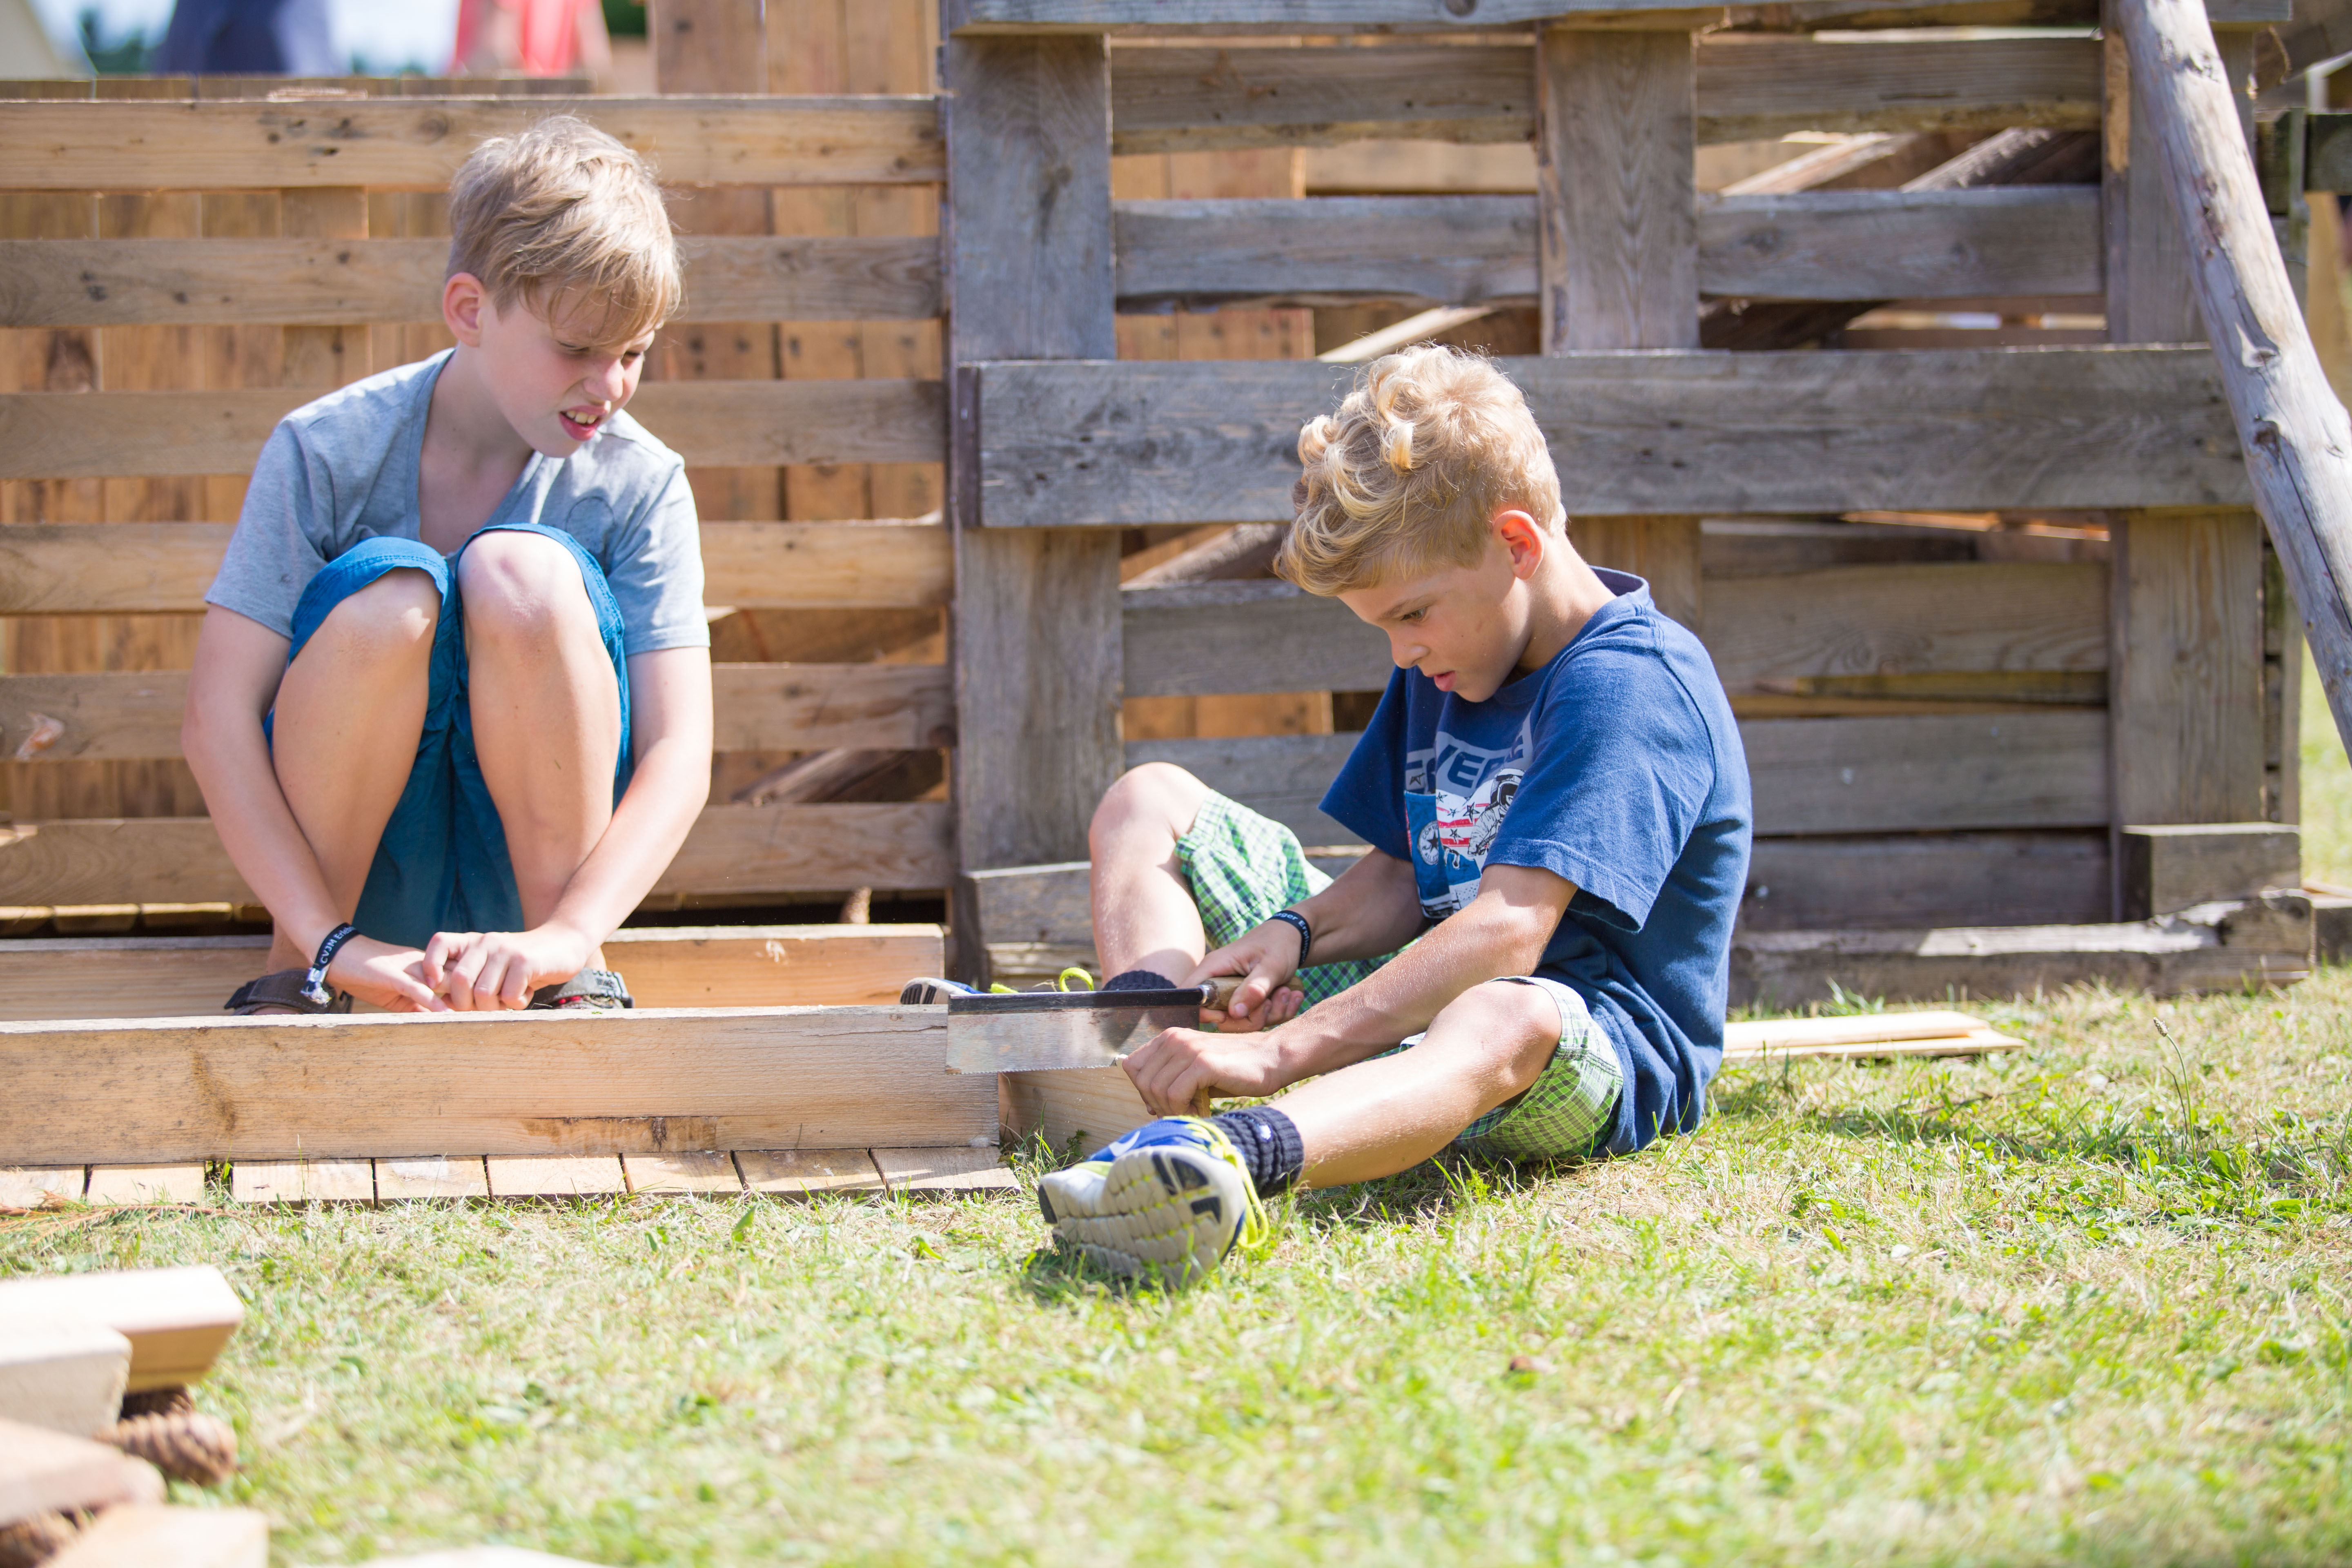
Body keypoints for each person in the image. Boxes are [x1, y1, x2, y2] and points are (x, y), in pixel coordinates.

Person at [1037, 346, 1752, 1282]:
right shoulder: (1457, 656)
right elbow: (1407, 872)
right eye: (1383, 628)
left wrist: (1286, 1051)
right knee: (1149, 798)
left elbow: (1506, 934)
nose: (1402, 653)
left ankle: (1223, 1161)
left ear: (1517, 545)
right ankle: (1148, 1069)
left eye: (1412, 615)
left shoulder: (1631, 685)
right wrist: (1294, 933)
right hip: (1429, 1002)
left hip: (1583, 1048)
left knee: (1501, 1010)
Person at [182, 116, 711, 1017]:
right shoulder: (326, 450)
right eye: (577, 349)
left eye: (633, 353)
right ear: (470, 310)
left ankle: (569, 986)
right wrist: (326, 938)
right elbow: (216, 717)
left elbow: (679, 748)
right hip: (348, 906)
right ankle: (302, 980)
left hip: (542, 911)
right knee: (393, 593)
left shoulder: (640, 480)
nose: (611, 386)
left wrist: (569, 934)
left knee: (521, 574)